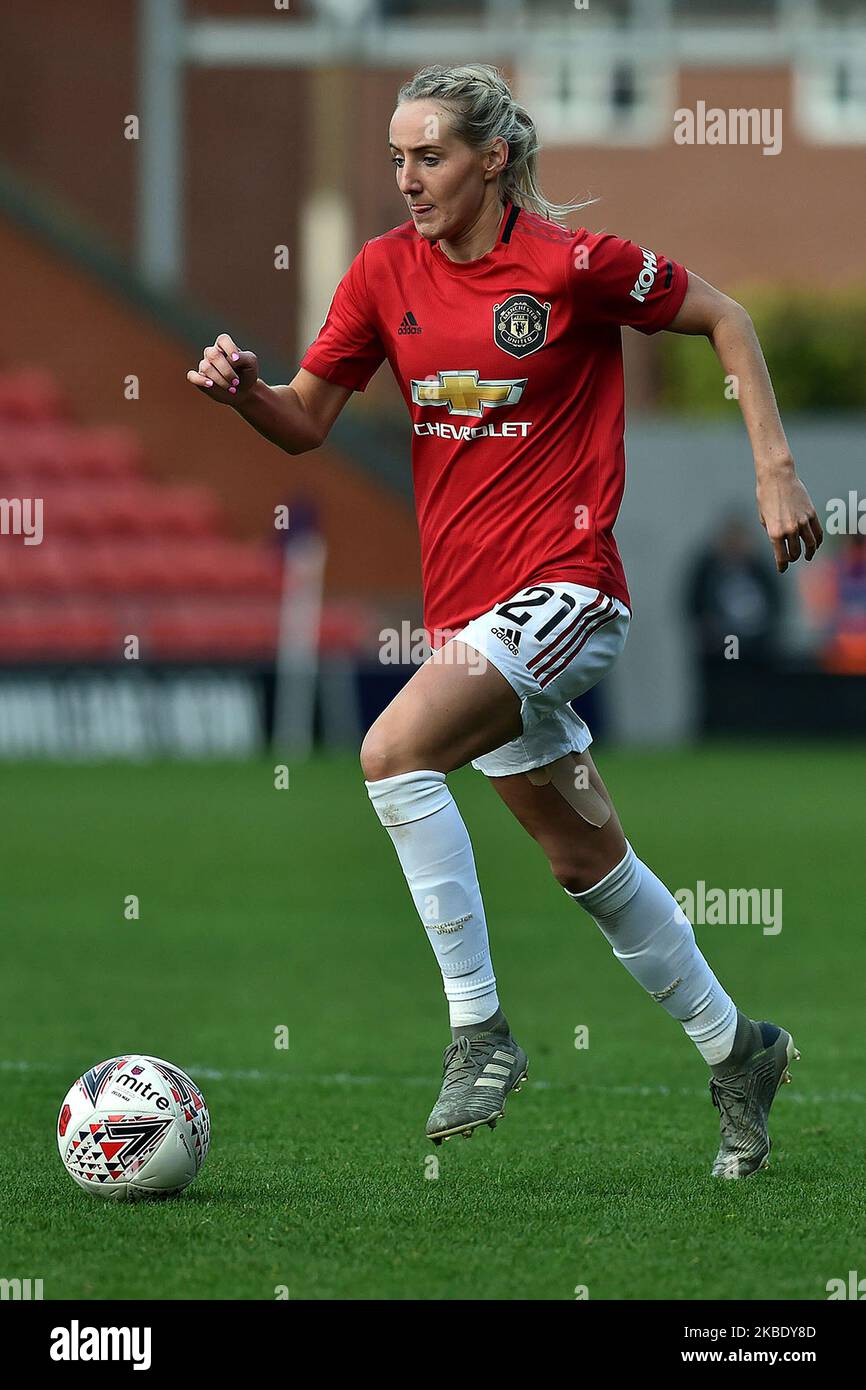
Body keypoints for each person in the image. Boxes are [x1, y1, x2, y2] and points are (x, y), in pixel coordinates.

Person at [187, 63, 823, 1178]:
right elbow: (306, 420)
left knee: (391, 750)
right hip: (472, 619)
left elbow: (722, 317)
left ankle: (478, 1029)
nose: (405, 178)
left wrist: (774, 469)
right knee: (587, 864)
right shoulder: (383, 274)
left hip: (570, 588)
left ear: (489, 158)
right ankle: (739, 1050)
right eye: (394, 157)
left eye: (426, 156)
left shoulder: (574, 268)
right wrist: (245, 393)